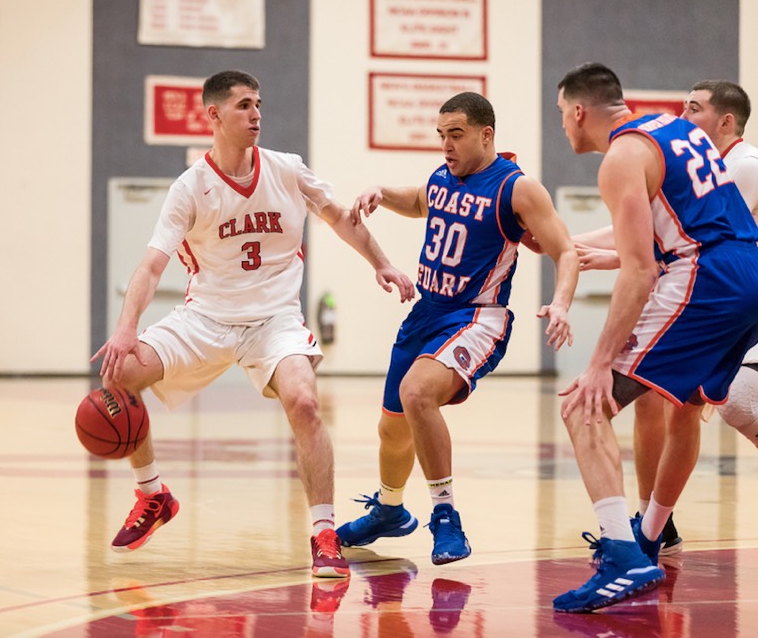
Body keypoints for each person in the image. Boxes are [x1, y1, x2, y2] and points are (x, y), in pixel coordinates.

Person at [92, 70, 415, 579]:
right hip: (205, 317)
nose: (256, 114)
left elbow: (340, 217)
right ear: (214, 116)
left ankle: (324, 534)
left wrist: (382, 262)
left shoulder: (287, 170)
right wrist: (126, 328)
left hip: (274, 319)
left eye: (259, 104)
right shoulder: (190, 187)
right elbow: (152, 264)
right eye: (244, 105)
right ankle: (152, 495)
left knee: (305, 402)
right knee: (119, 375)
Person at [335, 92, 579, 566]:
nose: (446, 145)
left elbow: (565, 250)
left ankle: (446, 517)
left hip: (477, 316)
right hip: (426, 312)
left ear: (487, 134)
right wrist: (381, 194)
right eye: (441, 135)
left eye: (457, 135)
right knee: (392, 427)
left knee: (417, 393)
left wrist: (562, 302)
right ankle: (389, 509)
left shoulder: (517, 188)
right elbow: (420, 201)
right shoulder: (442, 177)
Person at [552, 63, 758, 613]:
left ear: (578, 112)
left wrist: (598, 364)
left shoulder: (621, 158)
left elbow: (642, 273)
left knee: (584, 406)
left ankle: (623, 554)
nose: (563, 128)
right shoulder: (678, 129)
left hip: (706, 281)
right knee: (688, 404)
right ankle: (649, 534)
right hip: (747, 272)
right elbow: (688, 227)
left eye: (560, 116)